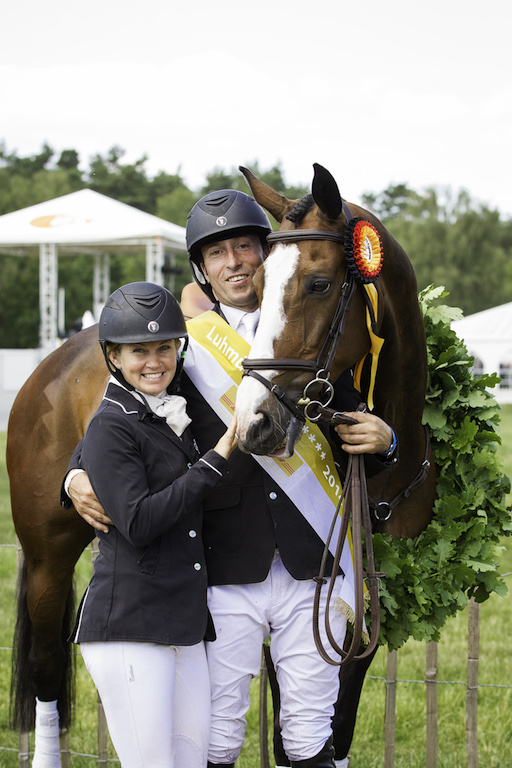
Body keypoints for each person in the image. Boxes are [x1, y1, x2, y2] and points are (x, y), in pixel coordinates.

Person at [65, 190, 397, 768]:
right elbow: (119, 421)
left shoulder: (306, 322)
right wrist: (73, 474)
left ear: (268, 255)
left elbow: (353, 408)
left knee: (310, 734)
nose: (236, 262)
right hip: (223, 565)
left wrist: (386, 440)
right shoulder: (183, 349)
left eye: (246, 246)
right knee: (216, 735)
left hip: (309, 557)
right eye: (218, 253)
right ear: (202, 270)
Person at [68, 281, 238, 768]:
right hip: (130, 626)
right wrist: (217, 458)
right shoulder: (111, 424)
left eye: (165, 347)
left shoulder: (168, 406)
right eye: (138, 351)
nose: (155, 361)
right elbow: (139, 522)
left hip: (182, 623)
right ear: (113, 357)